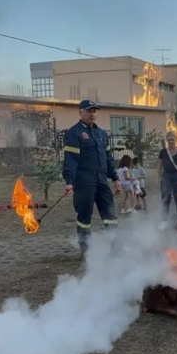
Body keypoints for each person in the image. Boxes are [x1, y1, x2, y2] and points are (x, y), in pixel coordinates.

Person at [63, 100, 122, 252]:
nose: (92, 114)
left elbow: (108, 158)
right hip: (84, 182)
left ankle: (115, 247)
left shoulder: (101, 133)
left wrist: (115, 178)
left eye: (94, 111)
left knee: (110, 215)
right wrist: (69, 181)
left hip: (102, 181)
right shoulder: (74, 133)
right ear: (80, 112)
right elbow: (71, 159)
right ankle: (86, 250)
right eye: (89, 111)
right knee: (85, 218)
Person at [158, 131, 177, 230]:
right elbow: (159, 166)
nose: (171, 141)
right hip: (166, 177)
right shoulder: (163, 152)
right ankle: (164, 221)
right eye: (169, 140)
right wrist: (158, 179)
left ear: (175, 140)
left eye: (172, 139)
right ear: (167, 141)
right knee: (165, 200)